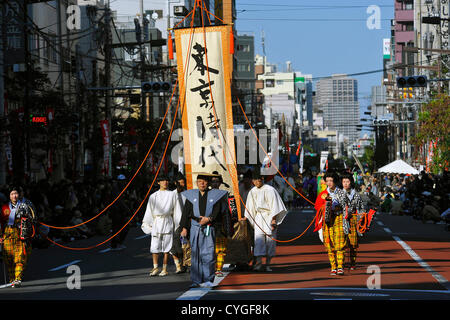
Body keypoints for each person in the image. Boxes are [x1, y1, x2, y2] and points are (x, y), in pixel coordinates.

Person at [180, 173, 228, 288]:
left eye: (205, 181)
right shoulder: (191, 195)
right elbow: (186, 212)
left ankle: (208, 279)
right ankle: (196, 280)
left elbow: (218, 211)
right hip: (195, 228)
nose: (202, 183)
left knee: (209, 254)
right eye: (200, 181)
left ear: (209, 183)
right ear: (197, 182)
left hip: (208, 227)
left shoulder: (215, 195)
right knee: (195, 254)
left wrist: (209, 219)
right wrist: (184, 228)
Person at [244, 169, 287, 272]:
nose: (256, 182)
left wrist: (274, 220)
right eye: (254, 180)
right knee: (258, 241)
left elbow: (275, 206)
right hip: (258, 218)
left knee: (270, 242)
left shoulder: (270, 189)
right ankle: (258, 264)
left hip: (269, 216)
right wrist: (247, 218)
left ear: (262, 179)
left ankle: (268, 264)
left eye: (257, 180)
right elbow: (250, 207)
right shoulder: (252, 191)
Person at [141, 175, 180, 277]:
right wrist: (147, 224)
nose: (165, 182)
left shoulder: (172, 195)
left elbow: (176, 210)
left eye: (166, 180)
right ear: (158, 182)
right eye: (162, 181)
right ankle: (155, 267)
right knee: (155, 245)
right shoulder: (153, 196)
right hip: (157, 221)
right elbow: (149, 211)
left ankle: (164, 268)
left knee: (167, 246)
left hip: (168, 220)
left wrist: (178, 224)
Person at [0, 186, 37, 287]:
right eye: (12, 194)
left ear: (19, 195)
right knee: (8, 258)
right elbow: (1, 222)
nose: (14, 196)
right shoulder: (4, 208)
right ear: (9, 196)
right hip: (7, 234)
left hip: (21, 234)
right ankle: (12, 279)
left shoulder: (25, 205)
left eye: (16, 193)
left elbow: (33, 219)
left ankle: (17, 279)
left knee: (20, 257)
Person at [314, 171, 349, 276]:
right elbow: (317, 206)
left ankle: (340, 266)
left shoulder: (342, 193)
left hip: (339, 218)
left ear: (335, 181)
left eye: (331, 180)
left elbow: (347, 206)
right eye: (327, 180)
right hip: (327, 221)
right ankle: (333, 266)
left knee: (340, 243)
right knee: (329, 244)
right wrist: (325, 206)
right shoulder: (323, 194)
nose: (329, 183)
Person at [210, 171, 233, 277]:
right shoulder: (205, 194)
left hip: (221, 225)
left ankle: (218, 268)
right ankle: (210, 268)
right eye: (213, 181)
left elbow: (228, 213)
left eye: (217, 181)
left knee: (221, 249)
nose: (215, 183)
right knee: (209, 249)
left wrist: (229, 230)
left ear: (220, 183)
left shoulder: (225, 195)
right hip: (208, 226)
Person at [341, 173, 365, 270]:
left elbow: (361, 208)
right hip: (341, 220)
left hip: (353, 221)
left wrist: (361, 218)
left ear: (351, 182)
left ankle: (352, 262)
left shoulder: (356, 195)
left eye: (347, 181)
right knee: (340, 243)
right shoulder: (339, 194)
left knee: (353, 244)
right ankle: (340, 263)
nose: (345, 184)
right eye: (343, 182)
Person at [170, 172, 188, 273]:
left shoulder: (187, 194)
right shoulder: (172, 195)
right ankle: (181, 263)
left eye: (183, 182)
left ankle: (187, 264)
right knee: (177, 246)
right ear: (175, 183)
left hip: (186, 223)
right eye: (180, 183)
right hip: (176, 223)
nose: (182, 184)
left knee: (187, 245)